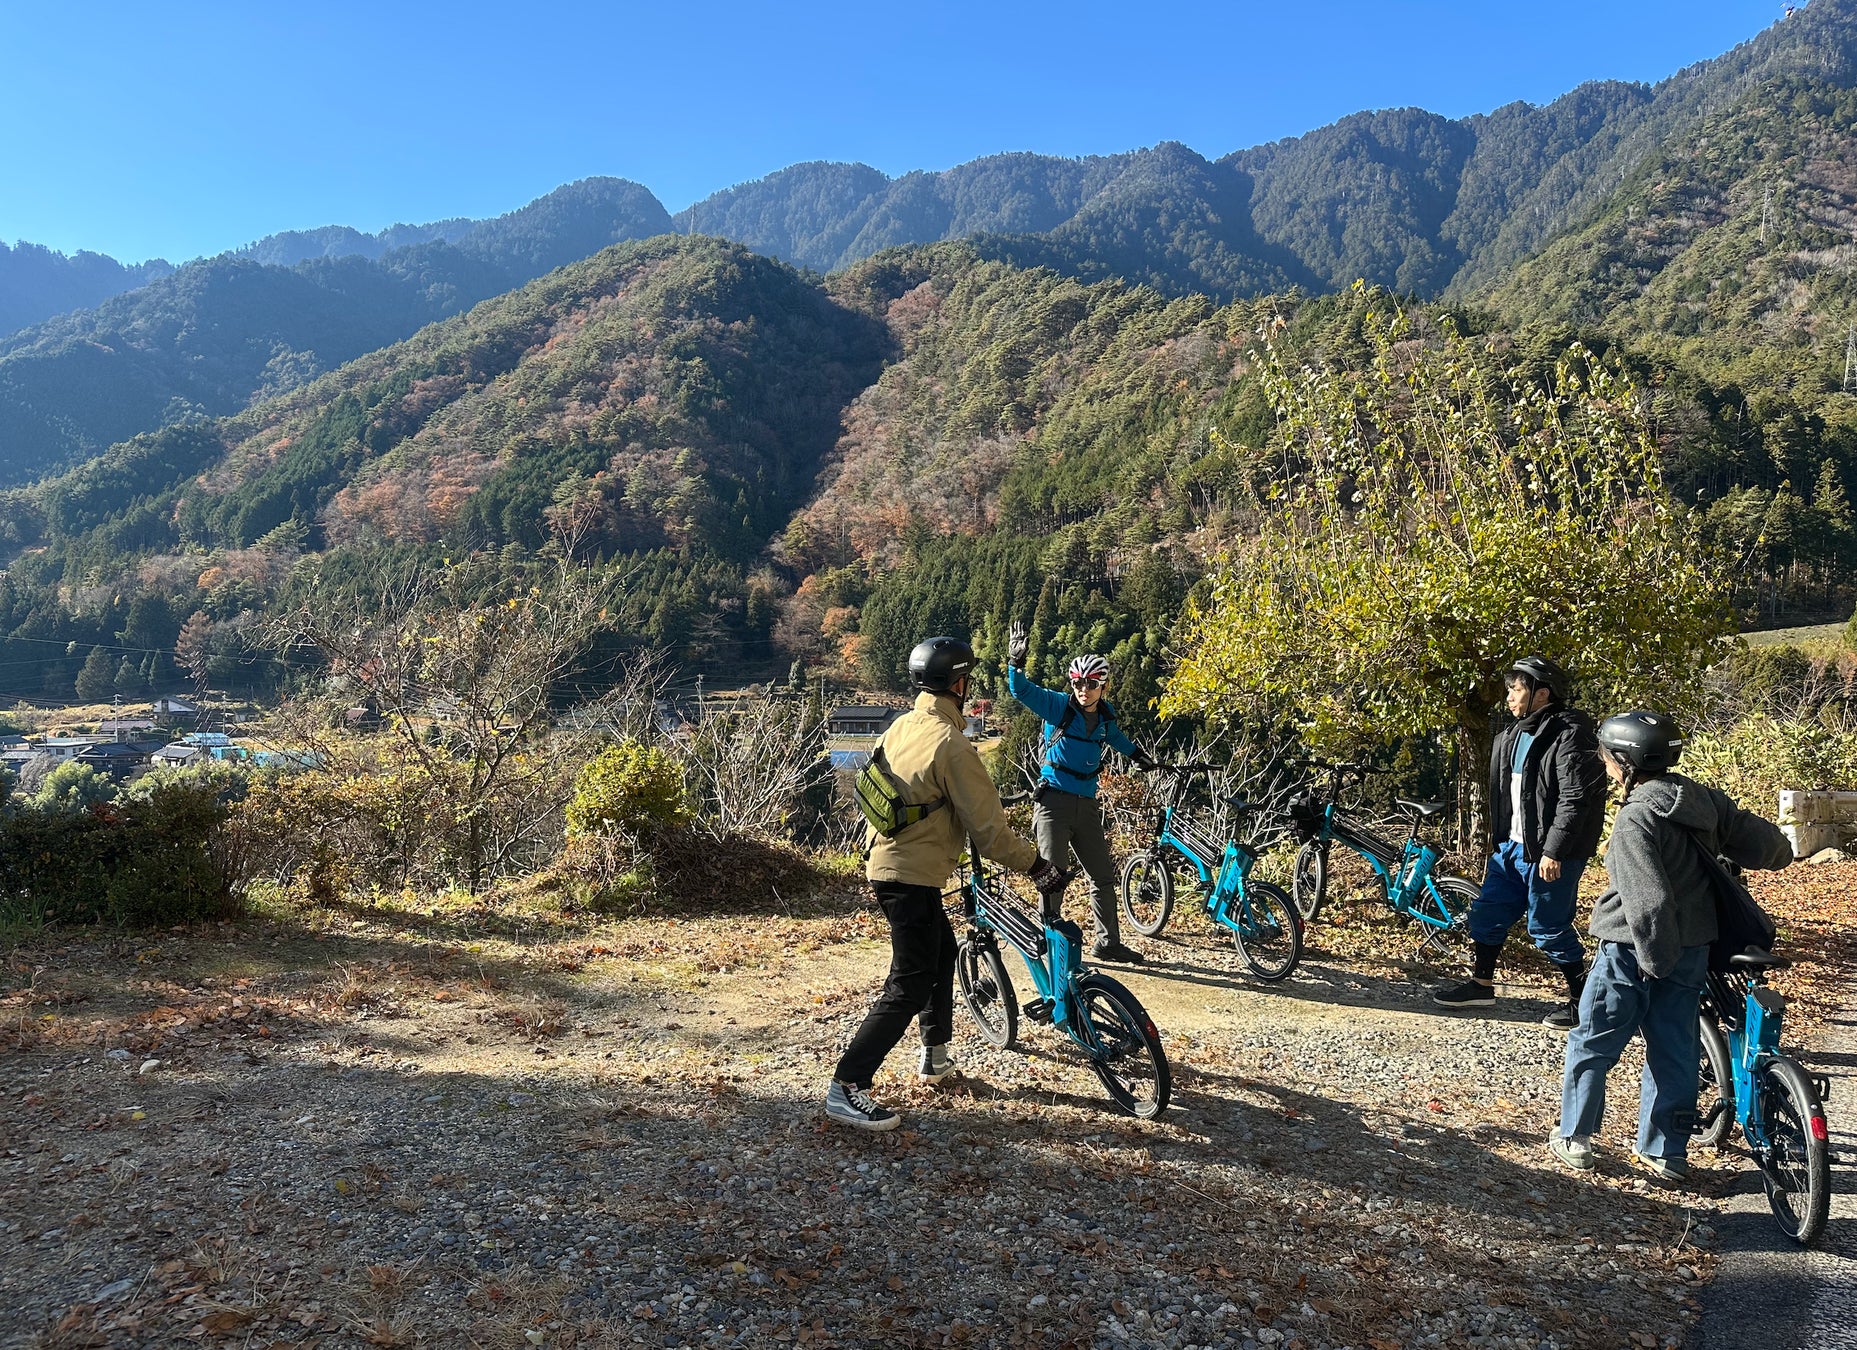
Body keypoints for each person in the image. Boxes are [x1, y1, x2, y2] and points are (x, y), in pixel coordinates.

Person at [827, 635, 1068, 1132]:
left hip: (890, 862)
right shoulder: (952, 744)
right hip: (910, 873)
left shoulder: (900, 727)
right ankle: (846, 1085)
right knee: (910, 981)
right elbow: (989, 829)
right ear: (959, 684)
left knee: (941, 950)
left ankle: (934, 1055)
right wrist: (1037, 866)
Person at [1547, 710, 1792, 1182]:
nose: (1604, 763)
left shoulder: (1635, 818)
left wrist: (1653, 963)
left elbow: (1648, 900)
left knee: (1594, 1039)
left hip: (1632, 949)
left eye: (1606, 755)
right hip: (1694, 947)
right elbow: (1773, 849)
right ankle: (1664, 1152)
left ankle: (1575, 1136)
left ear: (1624, 761)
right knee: (1675, 1048)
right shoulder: (1701, 800)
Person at [1434, 657, 1606, 1029]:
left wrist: (1553, 850)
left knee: (1548, 928)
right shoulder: (1512, 734)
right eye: (1510, 688)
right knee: (1486, 915)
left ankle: (1583, 1002)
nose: (1509, 696)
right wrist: (1497, 843)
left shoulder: (1570, 734)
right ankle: (1481, 986)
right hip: (1510, 850)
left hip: (1547, 853)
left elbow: (1575, 798)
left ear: (1542, 693)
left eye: (1517, 689)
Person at [1006, 621, 1156, 964]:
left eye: (1091, 684)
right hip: (1053, 802)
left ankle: (1107, 943)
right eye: (1078, 683)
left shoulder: (1104, 717)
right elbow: (1022, 691)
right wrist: (1015, 662)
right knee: (1052, 876)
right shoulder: (1059, 706)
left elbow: (1115, 738)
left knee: (1102, 876)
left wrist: (1137, 755)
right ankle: (1051, 946)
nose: (1083, 690)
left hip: (1086, 803)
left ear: (1103, 685)